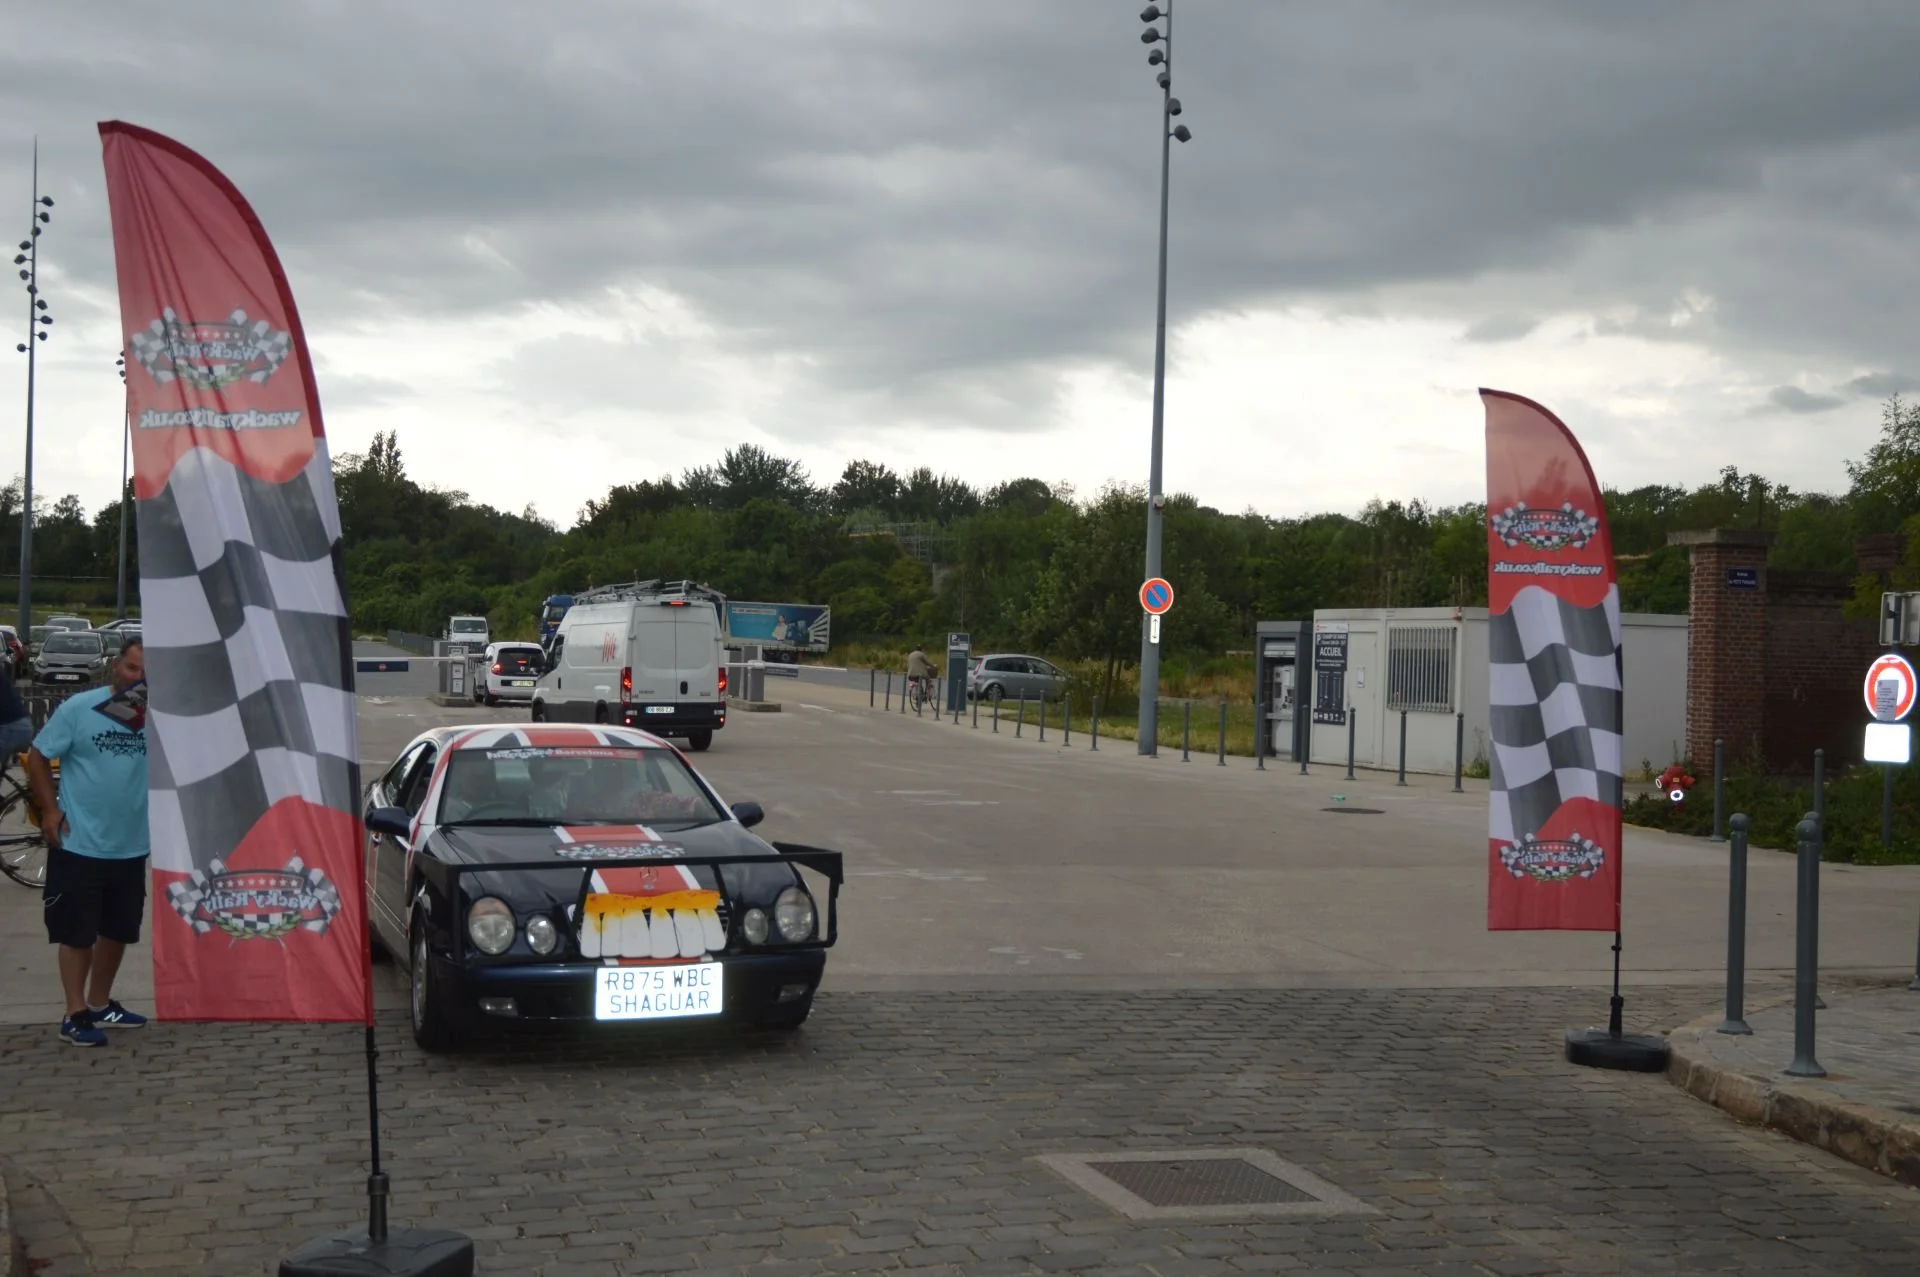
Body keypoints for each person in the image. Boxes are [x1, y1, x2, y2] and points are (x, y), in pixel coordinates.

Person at [28, 637, 148, 1047]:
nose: (139, 678)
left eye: (148, 673)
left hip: (131, 845)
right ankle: (74, 1013)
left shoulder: (157, 715)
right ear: (116, 666)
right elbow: (40, 754)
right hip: (80, 842)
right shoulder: (81, 709)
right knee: (77, 932)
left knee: (118, 930)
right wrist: (49, 810)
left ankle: (100, 1004)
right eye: (132, 669)